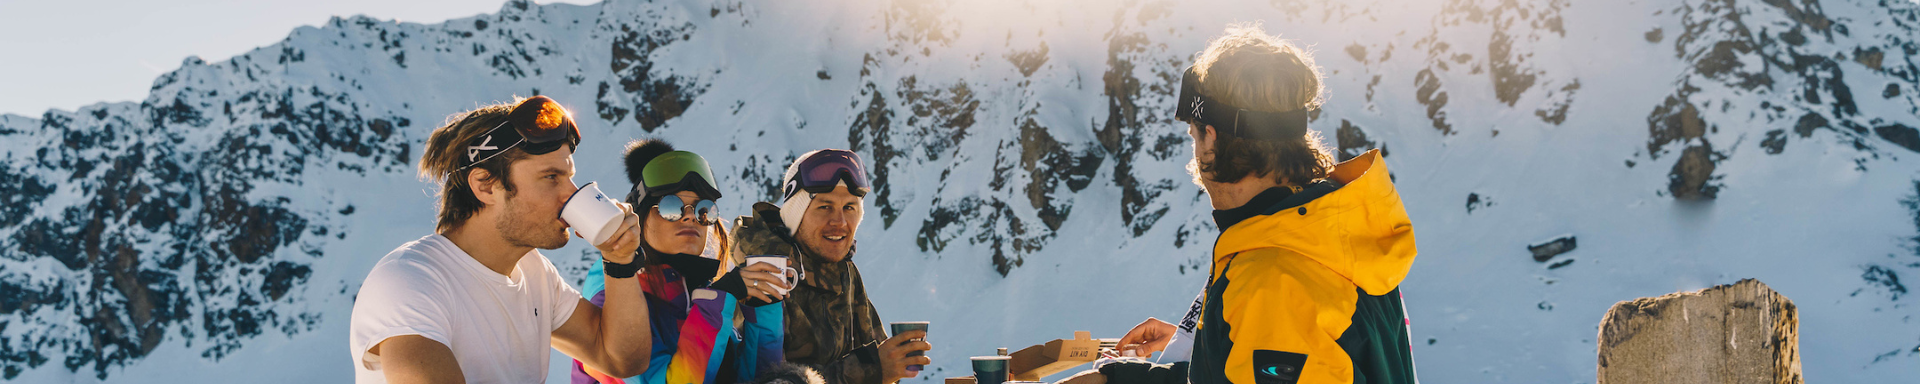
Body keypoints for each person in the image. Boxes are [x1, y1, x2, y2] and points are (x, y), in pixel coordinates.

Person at [1065, 25, 1420, 384]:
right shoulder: (1327, 231)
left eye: (1194, 135)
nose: (1194, 149)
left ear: (1211, 139)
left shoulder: (1273, 283)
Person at [349, 96, 652, 383]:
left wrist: (620, 260)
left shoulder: (535, 273)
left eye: (568, 176)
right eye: (551, 177)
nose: (570, 193)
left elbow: (620, 359)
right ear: (485, 186)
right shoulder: (410, 281)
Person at [572, 140, 798, 384]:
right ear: (639, 218)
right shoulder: (610, 293)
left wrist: (761, 307)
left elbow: (753, 379)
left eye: (703, 209)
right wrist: (719, 298)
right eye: (671, 207)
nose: (691, 216)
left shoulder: (697, 291)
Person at [728, 149, 932, 384]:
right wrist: (871, 370)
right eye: (825, 207)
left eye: (849, 207)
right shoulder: (763, 274)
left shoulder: (845, 273)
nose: (840, 222)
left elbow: (878, 358)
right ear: (797, 216)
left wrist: (891, 364)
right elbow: (767, 380)